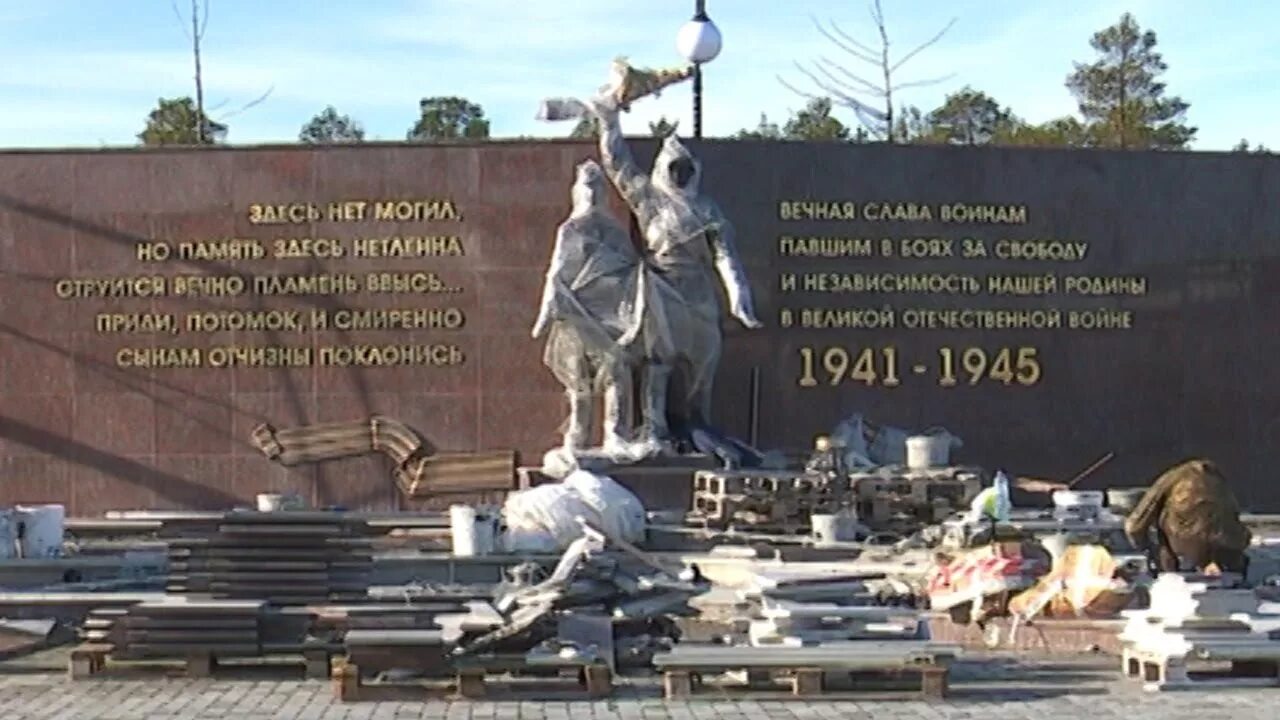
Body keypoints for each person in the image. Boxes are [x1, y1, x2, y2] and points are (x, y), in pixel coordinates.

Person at [588, 97, 762, 452]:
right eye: (674, 169)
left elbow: (725, 256)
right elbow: (617, 164)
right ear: (664, 168)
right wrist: (609, 122)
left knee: (706, 354)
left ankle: (698, 422)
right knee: (658, 359)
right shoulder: (649, 199)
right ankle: (655, 428)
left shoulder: (707, 208)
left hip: (698, 289)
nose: (680, 176)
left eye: (685, 169)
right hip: (660, 286)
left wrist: (738, 297)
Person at [532, 160, 642, 460]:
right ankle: (576, 440)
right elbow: (556, 272)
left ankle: (615, 435)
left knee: (616, 373)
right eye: (587, 186)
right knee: (578, 381)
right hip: (576, 315)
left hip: (610, 319)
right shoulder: (570, 229)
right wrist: (545, 314)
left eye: (597, 186)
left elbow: (632, 272)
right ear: (577, 191)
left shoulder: (616, 231)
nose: (591, 192)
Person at [1124, 459, 1251, 574]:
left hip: (1181, 540)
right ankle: (1230, 570)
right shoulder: (1220, 485)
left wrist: (1147, 548)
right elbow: (1236, 519)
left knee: (1161, 533)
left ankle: (1169, 576)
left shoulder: (1172, 479)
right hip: (1221, 539)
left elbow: (1134, 526)